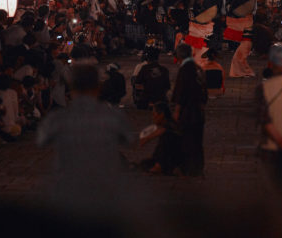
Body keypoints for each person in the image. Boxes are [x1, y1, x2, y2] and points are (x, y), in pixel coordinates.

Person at [36, 64, 132, 211]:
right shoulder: (113, 116)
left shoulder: (58, 118)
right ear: (98, 88)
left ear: (72, 89)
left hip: (68, 184)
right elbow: (128, 139)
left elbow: (41, 139)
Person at [171, 44, 208, 176]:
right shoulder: (198, 68)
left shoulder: (185, 70)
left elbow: (181, 92)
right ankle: (198, 167)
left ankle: (187, 168)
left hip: (188, 111)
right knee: (197, 141)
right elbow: (204, 90)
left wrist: (177, 110)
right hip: (199, 110)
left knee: (187, 140)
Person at [139, 102, 182, 175]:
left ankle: (159, 166)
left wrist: (147, 139)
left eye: (154, 114)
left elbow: (163, 130)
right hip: (171, 160)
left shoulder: (170, 128)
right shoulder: (169, 125)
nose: (153, 117)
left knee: (167, 136)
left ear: (161, 115)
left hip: (173, 161)